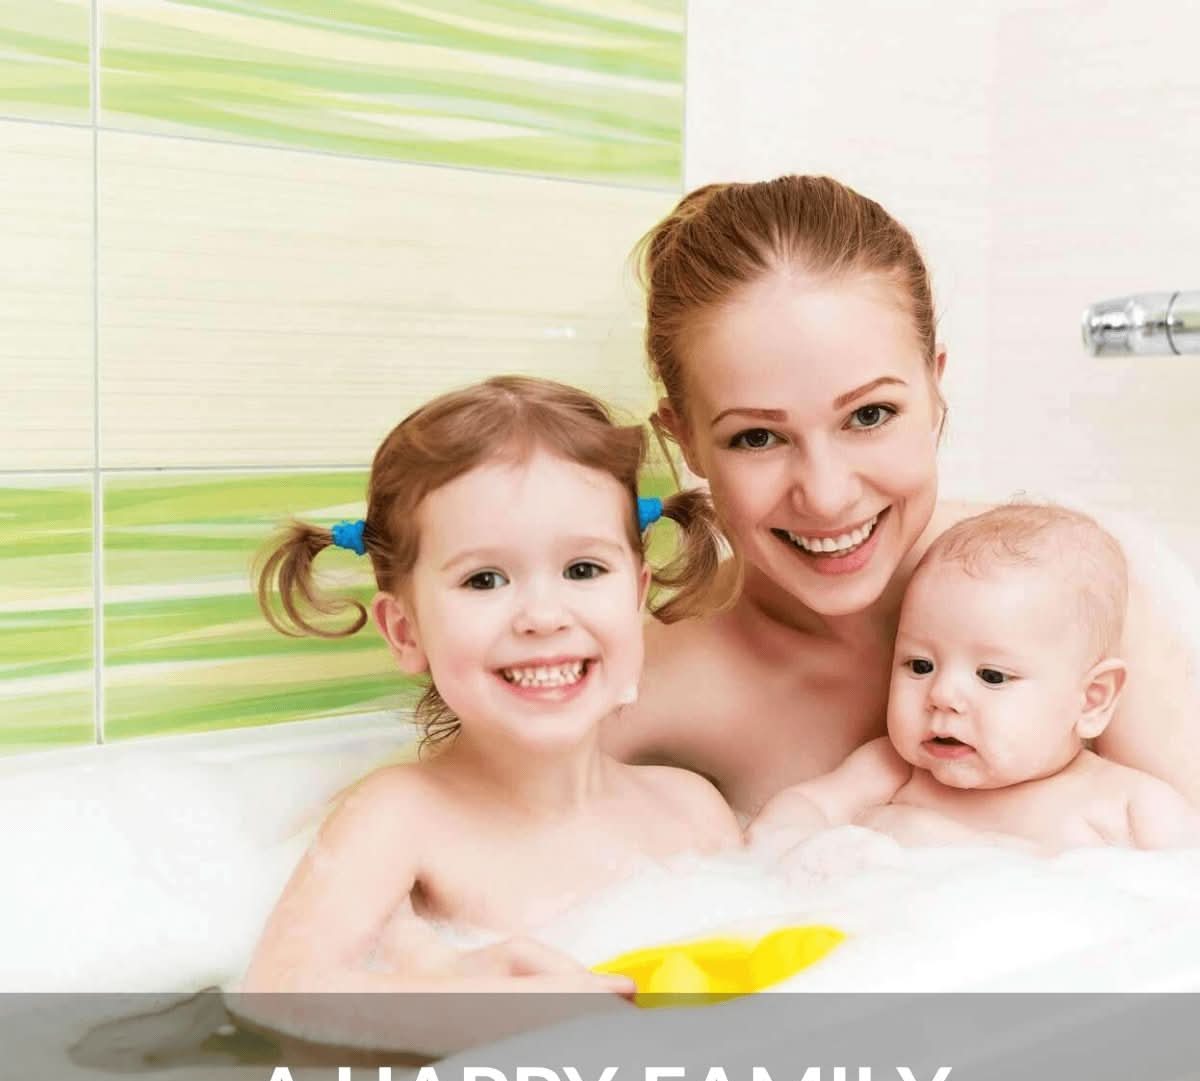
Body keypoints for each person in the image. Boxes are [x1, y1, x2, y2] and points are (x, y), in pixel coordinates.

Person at [605, 175, 1200, 817]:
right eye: (756, 437)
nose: (828, 497)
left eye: (869, 415)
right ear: (686, 439)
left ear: (935, 384)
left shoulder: (1070, 587)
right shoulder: (648, 689)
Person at [242, 376, 740, 1000]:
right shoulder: (399, 819)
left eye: (583, 569)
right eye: (484, 580)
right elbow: (277, 995)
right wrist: (453, 998)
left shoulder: (691, 813)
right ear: (406, 631)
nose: (543, 615)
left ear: (637, 596)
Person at [747, 504, 1200, 854]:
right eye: (920, 666)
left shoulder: (1132, 808)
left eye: (992, 676)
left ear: (1091, 701)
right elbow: (802, 810)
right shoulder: (894, 771)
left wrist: (944, 842)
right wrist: (790, 850)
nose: (942, 695)